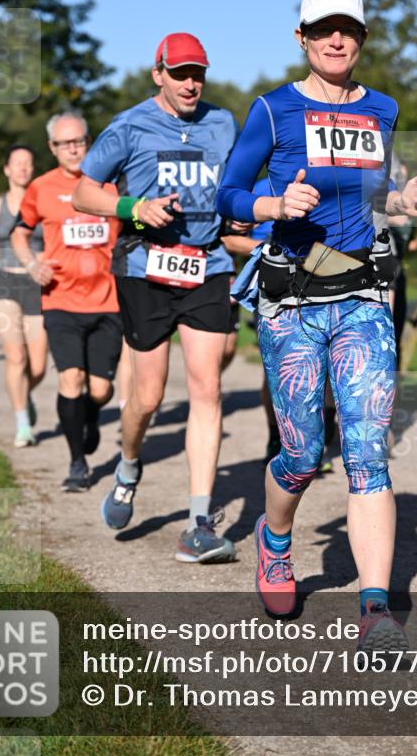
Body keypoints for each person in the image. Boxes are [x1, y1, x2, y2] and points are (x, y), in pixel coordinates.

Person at [217, 0, 417, 647]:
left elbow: (372, 190)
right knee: (302, 452)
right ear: (302, 38)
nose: (335, 39)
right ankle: (274, 535)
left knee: (367, 453)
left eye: (347, 29)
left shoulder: (381, 110)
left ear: (361, 38)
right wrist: (272, 207)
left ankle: (375, 609)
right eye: (322, 29)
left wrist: (404, 201)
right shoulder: (272, 110)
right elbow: (228, 193)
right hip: (291, 302)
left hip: (366, 297)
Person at [73, 32, 239, 563]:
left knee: (207, 388)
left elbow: (234, 191)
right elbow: (82, 191)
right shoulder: (128, 126)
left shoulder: (222, 123)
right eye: (181, 73)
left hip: (207, 263)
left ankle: (198, 521)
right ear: (158, 74)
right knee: (147, 396)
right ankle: (128, 464)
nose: (191, 83)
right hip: (145, 266)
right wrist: (133, 209)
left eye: (199, 73)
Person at [12, 113, 123, 491]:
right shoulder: (41, 188)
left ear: (88, 142)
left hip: (108, 300)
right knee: (70, 378)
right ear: (52, 149)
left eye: (79, 141)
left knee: (100, 390)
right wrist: (31, 265)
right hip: (60, 299)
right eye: (64, 144)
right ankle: (77, 462)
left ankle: (89, 417)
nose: (73, 149)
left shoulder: (110, 184)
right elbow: (19, 234)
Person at [0, 145, 48, 448]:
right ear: (6, 169)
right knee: (16, 357)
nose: (23, 168)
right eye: (17, 164)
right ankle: (22, 424)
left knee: (39, 365)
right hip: (3, 284)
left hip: (37, 285)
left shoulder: (44, 202)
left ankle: (24, 394)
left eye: (28, 164)